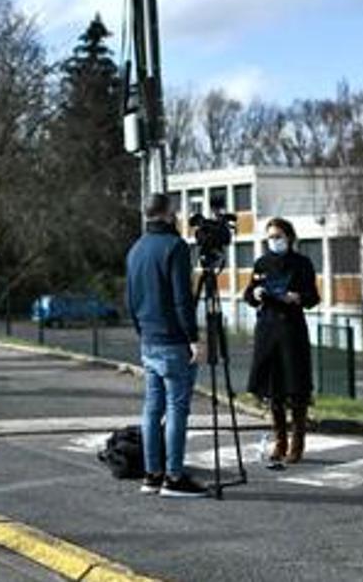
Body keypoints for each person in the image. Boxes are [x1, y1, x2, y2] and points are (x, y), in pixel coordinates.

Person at [126, 193, 208, 498]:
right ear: (167, 213)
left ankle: (152, 473)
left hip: (149, 338)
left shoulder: (135, 249)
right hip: (173, 340)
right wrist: (193, 339)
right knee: (176, 408)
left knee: (152, 407)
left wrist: (142, 331)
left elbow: (130, 299)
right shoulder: (175, 247)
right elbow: (181, 299)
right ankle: (174, 477)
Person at [243, 217, 320, 464]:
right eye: (270, 237)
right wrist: (254, 294)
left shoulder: (302, 263)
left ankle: (297, 444)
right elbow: (248, 293)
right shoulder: (262, 262)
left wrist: (298, 297)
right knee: (273, 390)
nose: (274, 241)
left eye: (278, 236)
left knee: (296, 389)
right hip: (267, 329)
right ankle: (280, 442)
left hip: (291, 329)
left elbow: (313, 297)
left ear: (289, 237)